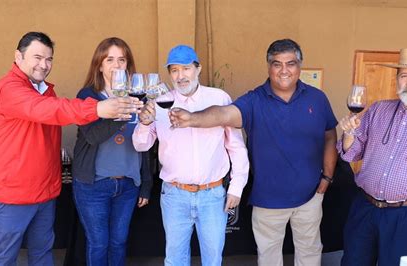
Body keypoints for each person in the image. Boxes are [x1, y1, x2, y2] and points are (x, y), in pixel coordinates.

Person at [169, 39, 338, 266]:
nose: (284, 70)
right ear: (268, 67)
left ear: (300, 66)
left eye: (291, 63)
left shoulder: (317, 98)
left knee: (309, 255)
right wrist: (192, 118)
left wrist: (327, 176)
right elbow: (224, 114)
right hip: (268, 201)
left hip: (309, 198)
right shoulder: (254, 100)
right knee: (269, 259)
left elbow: (329, 135)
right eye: (277, 64)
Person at [0, 32, 143, 265]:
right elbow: (48, 110)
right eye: (37, 57)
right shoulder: (10, 88)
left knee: (42, 255)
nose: (44, 65)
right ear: (18, 56)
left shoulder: (45, 90)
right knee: (5, 259)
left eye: (49, 59)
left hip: (44, 192)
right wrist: (97, 109)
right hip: (11, 195)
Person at [132, 45, 249, 266]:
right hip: (175, 194)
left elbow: (236, 146)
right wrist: (145, 123)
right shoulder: (159, 102)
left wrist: (237, 186)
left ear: (198, 69)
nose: (180, 76)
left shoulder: (219, 98)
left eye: (186, 68)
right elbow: (140, 145)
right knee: (175, 260)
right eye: (174, 70)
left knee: (213, 259)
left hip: (212, 194)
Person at [337, 48, 407, 266]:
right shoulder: (378, 110)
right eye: (404, 75)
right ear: (397, 79)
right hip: (365, 207)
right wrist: (348, 133)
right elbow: (352, 154)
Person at [71, 37, 152, 266]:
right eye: (110, 60)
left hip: (127, 184)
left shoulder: (139, 95)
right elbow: (93, 136)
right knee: (98, 243)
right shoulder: (87, 97)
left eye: (122, 60)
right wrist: (124, 108)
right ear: (99, 64)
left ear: (128, 65)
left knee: (119, 242)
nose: (116, 65)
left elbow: (143, 145)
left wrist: (145, 183)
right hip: (93, 185)